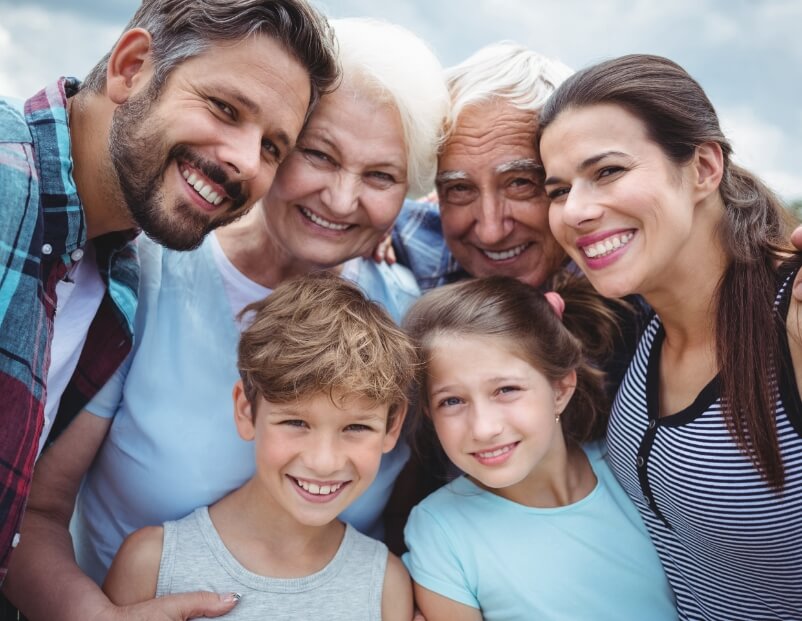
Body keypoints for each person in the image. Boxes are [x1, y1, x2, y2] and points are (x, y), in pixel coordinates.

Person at [2, 16, 448, 621]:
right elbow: (38, 511)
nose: (342, 200)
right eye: (318, 154)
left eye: (380, 176)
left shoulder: (409, 317)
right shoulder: (143, 273)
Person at [538, 54, 802, 620]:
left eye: (607, 171)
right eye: (558, 190)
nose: (576, 211)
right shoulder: (634, 323)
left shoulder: (793, 320)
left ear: (705, 167)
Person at [102, 273, 416, 621]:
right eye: (296, 423)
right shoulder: (152, 563)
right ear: (246, 411)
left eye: (356, 427)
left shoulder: (385, 585)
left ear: (392, 425)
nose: (323, 462)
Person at [401, 276, 677, 620]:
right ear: (429, 411)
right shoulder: (439, 530)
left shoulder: (631, 470)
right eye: (452, 400)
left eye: (506, 390)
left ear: (560, 389)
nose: (484, 428)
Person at [391, 42, 573, 291]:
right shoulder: (402, 238)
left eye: (520, 183)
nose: (491, 233)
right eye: (459, 188)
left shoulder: (635, 283)